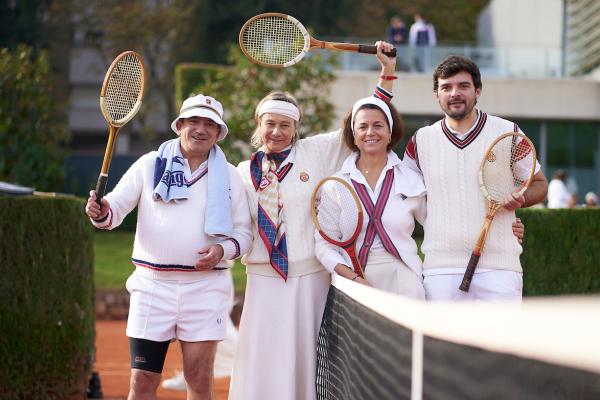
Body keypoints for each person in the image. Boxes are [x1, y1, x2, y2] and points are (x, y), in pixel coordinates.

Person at [228, 42, 397, 400]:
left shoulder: (316, 152)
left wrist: (386, 74)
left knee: (308, 360)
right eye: (270, 124)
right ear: (259, 125)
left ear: (296, 128)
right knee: (262, 360)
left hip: (310, 278)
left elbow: (363, 122)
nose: (277, 132)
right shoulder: (244, 171)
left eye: (285, 125)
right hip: (262, 279)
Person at [85, 94, 252, 399]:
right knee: (143, 381)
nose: (200, 129)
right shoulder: (150, 164)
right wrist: (101, 211)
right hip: (152, 289)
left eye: (209, 124)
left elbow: (243, 234)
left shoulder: (229, 175)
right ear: (180, 126)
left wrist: (222, 251)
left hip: (206, 288)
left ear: (218, 132)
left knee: (199, 379)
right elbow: (114, 210)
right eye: (194, 122)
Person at [402, 55, 548, 302]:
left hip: (500, 268)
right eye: (446, 87)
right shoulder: (420, 141)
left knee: (501, 343)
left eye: (463, 86)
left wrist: (519, 200)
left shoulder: (508, 132)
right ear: (436, 94)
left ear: (477, 91)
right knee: (443, 343)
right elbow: (404, 198)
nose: (454, 93)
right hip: (440, 269)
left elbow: (540, 185)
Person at [314, 89, 427, 298]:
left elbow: (436, 228)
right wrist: (353, 278)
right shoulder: (336, 184)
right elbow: (324, 245)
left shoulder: (410, 179)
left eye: (378, 125)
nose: (370, 132)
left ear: (390, 132)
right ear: (353, 135)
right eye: (362, 127)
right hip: (353, 285)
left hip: (404, 282)